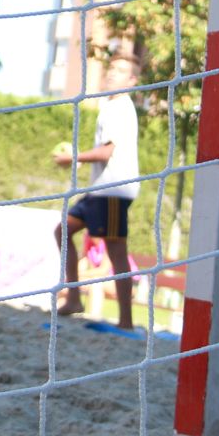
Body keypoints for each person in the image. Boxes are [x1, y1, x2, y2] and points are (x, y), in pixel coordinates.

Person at [52, 54, 141, 330]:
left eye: (122, 70)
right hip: (99, 190)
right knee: (62, 230)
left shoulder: (122, 108)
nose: (113, 73)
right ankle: (75, 297)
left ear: (132, 81)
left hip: (114, 189)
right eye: (112, 68)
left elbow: (107, 151)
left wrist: (73, 157)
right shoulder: (110, 104)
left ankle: (126, 320)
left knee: (116, 252)